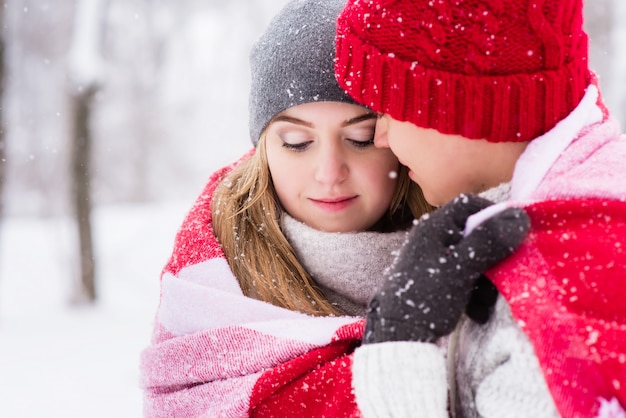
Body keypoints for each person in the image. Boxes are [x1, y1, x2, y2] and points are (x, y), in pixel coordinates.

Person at [139, 0, 530, 416]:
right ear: (264, 152)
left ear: (397, 139)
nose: (329, 173)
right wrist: (397, 352)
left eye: (360, 137)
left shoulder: (476, 248)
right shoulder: (212, 290)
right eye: (296, 142)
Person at [335, 0, 626, 417]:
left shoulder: (555, 303)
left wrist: (398, 355)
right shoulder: (590, 210)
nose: (382, 137)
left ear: (460, 106)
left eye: (390, 109)